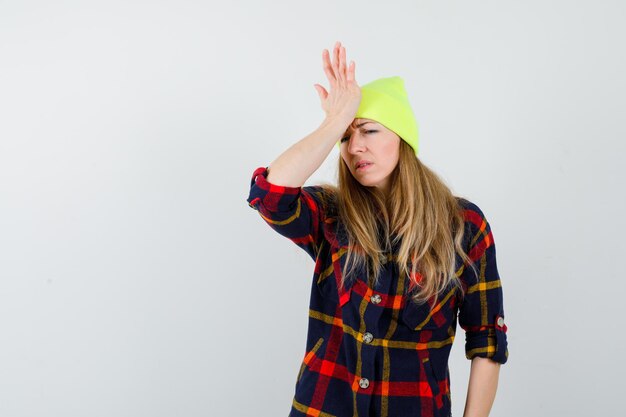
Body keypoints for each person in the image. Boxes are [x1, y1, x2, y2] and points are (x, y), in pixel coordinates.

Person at [246, 41, 508, 417]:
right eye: (345, 138)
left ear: (401, 139)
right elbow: (269, 195)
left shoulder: (464, 226)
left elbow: (487, 341)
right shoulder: (331, 214)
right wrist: (334, 121)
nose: (354, 148)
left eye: (368, 131)